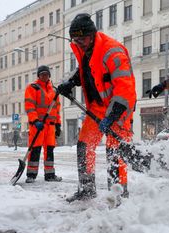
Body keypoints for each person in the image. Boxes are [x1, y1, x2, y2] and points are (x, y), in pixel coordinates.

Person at [56, 13, 136, 202]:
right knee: (84, 145)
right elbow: (88, 70)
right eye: (75, 39)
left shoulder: (112, 51)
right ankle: (86, 189)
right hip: (97, 106)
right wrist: (71, 82)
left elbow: (125, 88)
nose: (79, 42)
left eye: (82, 38)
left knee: (114, 151)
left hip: (119, 106)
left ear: (92, 34)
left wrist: (113, 115)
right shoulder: (86, 49)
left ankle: (119, 195)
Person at [24, 65, 62, 183]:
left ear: (49, 75)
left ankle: (50, 174)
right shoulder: (32, 88)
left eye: (46, 74)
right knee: (35, 149)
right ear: (39, 76)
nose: (44, 76)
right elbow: (29, 106)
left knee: (50, 150)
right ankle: (31, 174)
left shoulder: (55, 91)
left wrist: (58, 124)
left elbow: (57, 109)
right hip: (37, 125)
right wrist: (35, 120)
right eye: (42, 74)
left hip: (50, 126)